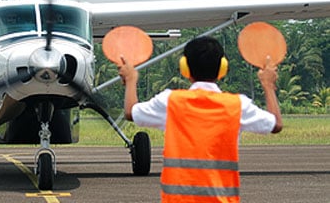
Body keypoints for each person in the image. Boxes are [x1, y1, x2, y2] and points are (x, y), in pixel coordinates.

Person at [118, 36, 283, 203]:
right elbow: (276, 124)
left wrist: (131, 79)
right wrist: (268, 85)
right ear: (222, 68)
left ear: (185, 68)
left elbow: (131, 112)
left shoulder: (171, 101)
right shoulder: (238, 105)